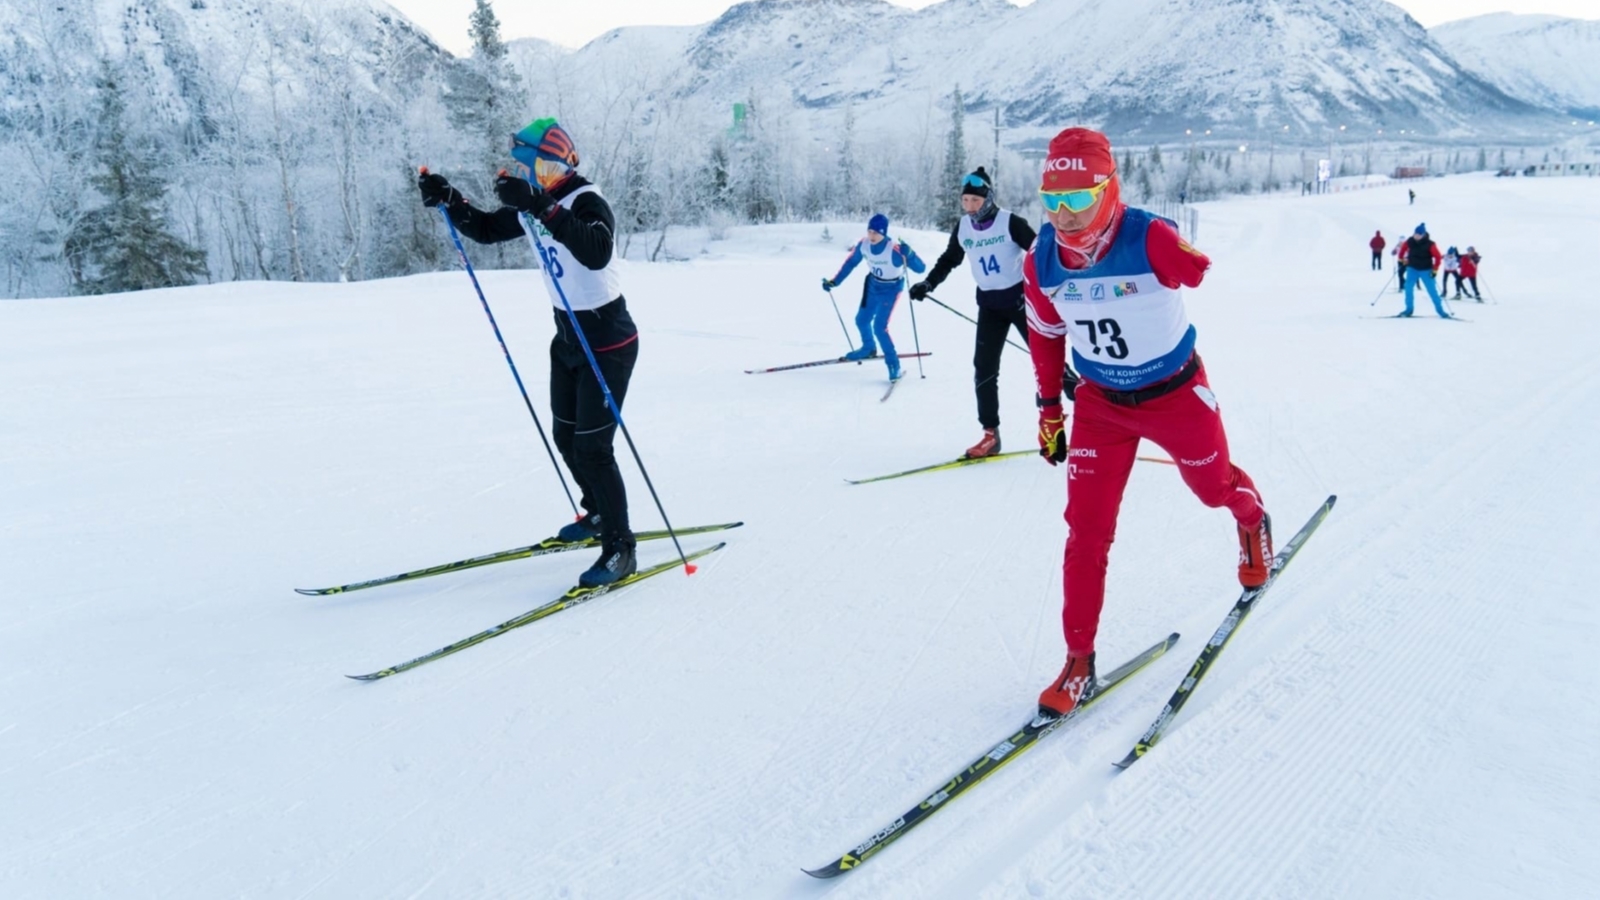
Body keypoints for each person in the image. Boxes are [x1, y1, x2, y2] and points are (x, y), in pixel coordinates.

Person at [1021, 127, 1271, 717]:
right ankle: (1078, 660)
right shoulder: (1042, 260)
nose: (1064, 215)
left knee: (1213, 490)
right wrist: (1049, 411)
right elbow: (1045, 335)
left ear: (1109, 190)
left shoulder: (1149, 235)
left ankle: (1253, 517)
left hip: (1177, 395)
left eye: (1077, 200)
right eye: (1051, 201)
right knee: (1086, 531)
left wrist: (1185, 256)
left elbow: (1193, 268)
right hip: (1102, 408)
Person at [417, 118, 640, 587]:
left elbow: (597, 250)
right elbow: (484, 229)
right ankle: (598, 513)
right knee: (565, 436)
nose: (533, 175)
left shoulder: (585, 199)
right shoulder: (539, 202)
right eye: (528, 168)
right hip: (567, 336)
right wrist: (450, 200)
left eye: (538, 166)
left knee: (593, 448)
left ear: (559, 162)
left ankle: (621, 549)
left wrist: (539, 204)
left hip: (608, 339)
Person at [909, 168, 1078, 458]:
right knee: (984, 369)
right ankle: (990, 435)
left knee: (1048, 364)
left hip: (1022, 303)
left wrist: (1059, 285)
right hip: (989, 306)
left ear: (987, 198)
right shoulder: (963, 227)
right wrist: (929, 283)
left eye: (975, 200)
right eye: (965, 201)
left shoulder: (1010, 222)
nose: (970, 206)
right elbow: (950, 259)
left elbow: (1041, 253)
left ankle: (1092, 413)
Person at [822, 214, 926, 382]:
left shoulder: (895, 250)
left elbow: (921, 269)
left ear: (884, 233)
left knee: (880, 327)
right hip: (872, 285)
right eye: (869, 231)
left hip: (891, 289)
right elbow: (850, 263)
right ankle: (868, 348)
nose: (871, 236)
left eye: (876, 233)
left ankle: (894, 364)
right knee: (861, 320)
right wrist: (835, 282)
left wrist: (911, 254)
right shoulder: (863, 245)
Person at [1396, 223, 1449, 318]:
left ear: (1423, 235)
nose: (1416, 236)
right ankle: (1409, 310)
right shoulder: (1410, 241)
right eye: (1415, 234)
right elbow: (1403, 249)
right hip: (1412, 268)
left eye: (1419, 234)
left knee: (1432, 291)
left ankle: (1441, 311)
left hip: (1426, 269)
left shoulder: (1430, 244)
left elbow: (1437, 257)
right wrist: (1401, 259)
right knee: (1408, 288)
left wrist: (1435, 270)